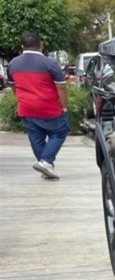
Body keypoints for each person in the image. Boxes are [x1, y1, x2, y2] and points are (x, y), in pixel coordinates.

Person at [7, 32, 69, 179]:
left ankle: (46, 167)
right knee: (60, 132)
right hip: (49, 108)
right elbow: (61, 88)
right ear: (41, 45)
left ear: (22, 46)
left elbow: (14, 87)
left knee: (36, 139)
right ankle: (46, 162)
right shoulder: (50, 64)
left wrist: (23, 99)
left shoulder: (13, 64)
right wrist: (64, 106)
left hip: (26, 108)